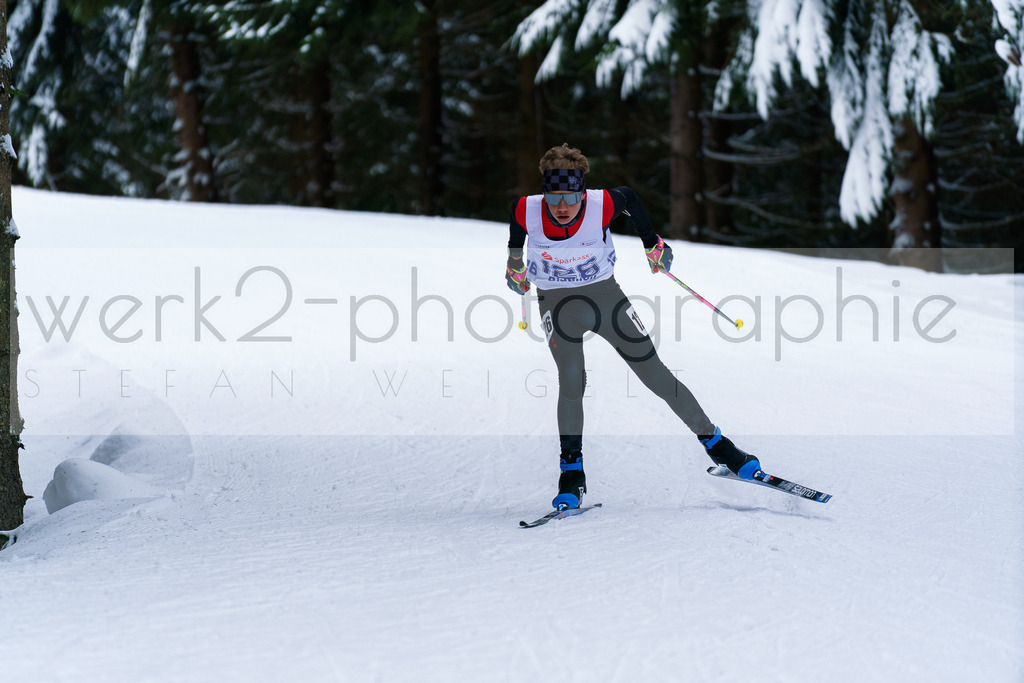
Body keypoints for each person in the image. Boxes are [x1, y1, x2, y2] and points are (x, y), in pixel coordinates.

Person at [505, 143, 760, 510]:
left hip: (607, 300)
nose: (562, 206)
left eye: (571, 196)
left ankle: (719, 447)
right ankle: (571, 473)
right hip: (558, 305)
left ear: (582, 191)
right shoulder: (525, 208)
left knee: (654, 372)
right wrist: (514, 266)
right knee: (572, 379)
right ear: (545, 192)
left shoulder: (604, 203)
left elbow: (632, 200)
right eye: (554, 196)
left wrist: (652, 242)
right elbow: (516, 237)